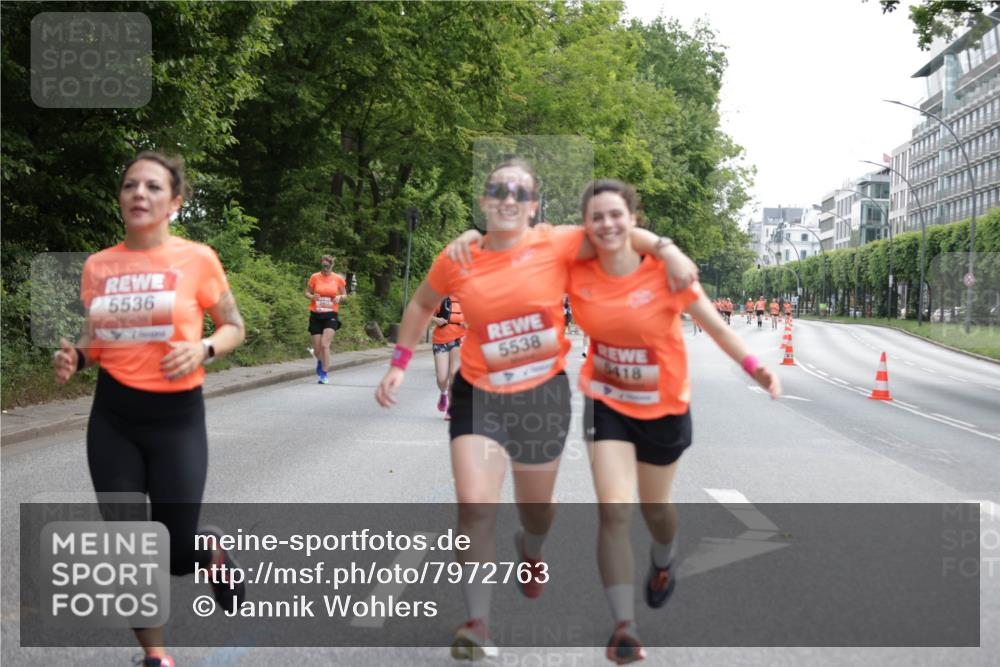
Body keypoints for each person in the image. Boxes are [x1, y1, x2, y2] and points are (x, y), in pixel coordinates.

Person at [374, 159, 699, 661]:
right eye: (497, 190)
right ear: (484, 201)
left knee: (536, 511)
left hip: (541, 395)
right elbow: (420, 304)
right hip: (478, 392)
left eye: (519, 193)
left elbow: (618, 232)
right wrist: (398, 363)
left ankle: (532, 547)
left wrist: (667, 249)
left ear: (533, 205)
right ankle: (477, 621)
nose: (508, 199)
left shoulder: (559, 242)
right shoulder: (459, 256)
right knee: (475, 506)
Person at [568, 180, 781, 664]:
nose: (606, 224)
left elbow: (716, 327)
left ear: (633, 218)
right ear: (585, 225)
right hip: (608, 404)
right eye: (596, 217)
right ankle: (624, 626)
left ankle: (663, 560)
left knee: (655, 508)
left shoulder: (666, 273)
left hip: (664, 409)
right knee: (614, 510)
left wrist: (756, 366)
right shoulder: (575, 269)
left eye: (616, 215)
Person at [52, 151, 247, 667]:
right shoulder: (99, 266)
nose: (139, 193)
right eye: (130, 185)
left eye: (153, 187)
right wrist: (76, 355)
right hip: (114, 417)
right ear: (120, 199)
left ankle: (207, 553)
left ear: (175, 202)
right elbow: (98, 339)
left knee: (177, 549)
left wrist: (205, 348)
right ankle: (156, 657)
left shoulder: (198, 259)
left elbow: (234, 326)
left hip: (177, 420)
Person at [305, 255, 347, 384]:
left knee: (325, 344)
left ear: (331, 266)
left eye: (327, 266)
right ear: (321, 265)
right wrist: (312, 296)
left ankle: (324, 374)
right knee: (317, 349)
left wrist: (340, 298)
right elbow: (306, 292)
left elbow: (345, 294)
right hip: (316, 315)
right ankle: (320, 360)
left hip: (331, 315)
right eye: (323, 266)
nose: (325, 269)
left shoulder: (338, 279)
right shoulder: (314, 277)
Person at [432, 296, 466, 419]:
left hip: (460, 338)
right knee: (442, 378)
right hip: (440, 340)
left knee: (454, 373)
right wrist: (435, 319)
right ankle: (443, 393)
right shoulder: (441, 297)